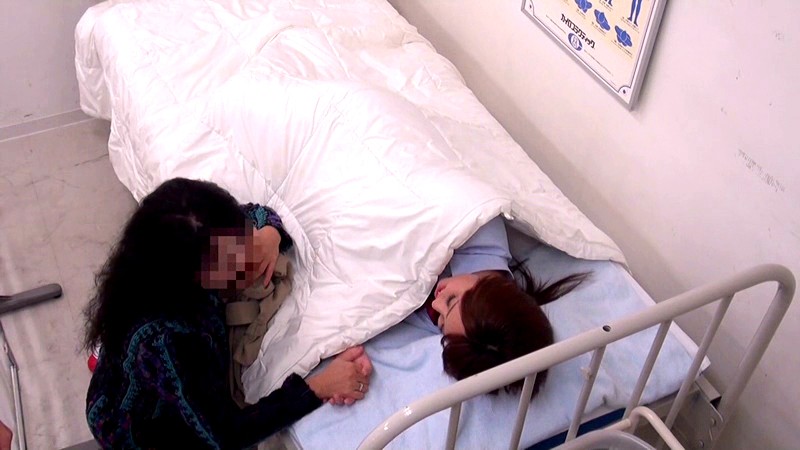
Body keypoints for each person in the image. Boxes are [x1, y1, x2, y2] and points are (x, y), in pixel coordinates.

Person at [83, 177, 372, 449]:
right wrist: (317, 388)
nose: (248, 259)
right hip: (141, 432)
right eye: (233, 264)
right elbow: (226, 434)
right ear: (194, 276)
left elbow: (257, 212)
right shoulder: (166, 340)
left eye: (244, 242)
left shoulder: (207, 228)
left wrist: (269, 234)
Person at [422, 215, 587, 396]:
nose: (436, 304)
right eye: (451, 300)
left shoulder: (446, 329)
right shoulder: (479, 227)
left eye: (442, 322)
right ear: (491, 289)